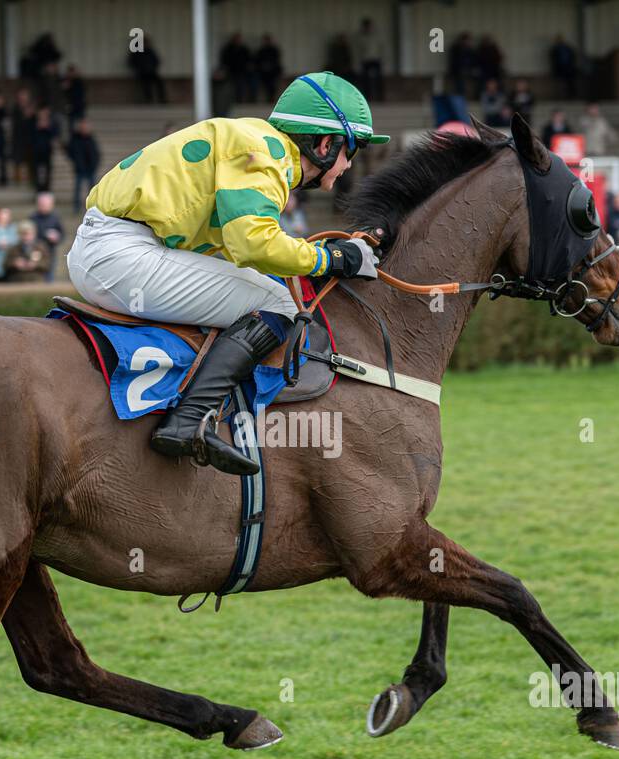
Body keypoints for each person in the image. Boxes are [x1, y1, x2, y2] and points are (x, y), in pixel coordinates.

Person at [67, 71, 386, 475]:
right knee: (279, 304)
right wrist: (332, 260)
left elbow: (246, 251)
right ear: (326, 144)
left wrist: (318, 254)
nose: (347, 165)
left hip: (113, 249)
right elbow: (254, 243)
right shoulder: (264, 152)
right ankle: (189, 420)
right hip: (122, 254)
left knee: (266, 288)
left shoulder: (257, 145)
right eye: (350, 151)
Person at [30, 192, 65, 281]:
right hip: (36, 251)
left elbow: (62, 234)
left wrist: (56, 237)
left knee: (50, 275)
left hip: (50, 251)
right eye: (42, 204)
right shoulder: (33, 218)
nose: (44, 206)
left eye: (46, 204)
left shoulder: (55, 217)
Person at [67, 119, 100, 211]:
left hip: (91, 169)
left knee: (93, 190)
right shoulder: (75, 139)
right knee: (78, 189)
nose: (85, 129)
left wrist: (94, 165)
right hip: (80, 169)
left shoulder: (91, 139)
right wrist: (77, 163)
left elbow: (96, 153)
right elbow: (71, 152)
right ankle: (76, 207)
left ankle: (93, 207)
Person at [30, 107, 59, 194]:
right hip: (36, 151)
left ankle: (46, 189)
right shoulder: (34, 123)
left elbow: (54, 135)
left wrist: (47, 128)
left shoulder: (50, 124)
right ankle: (38, 189)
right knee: (37, 171)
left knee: (47, 171)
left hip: (47, 151)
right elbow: (30, 136)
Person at [355, 18, 384, 102]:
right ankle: (367, 97)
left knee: (378, 79)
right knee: (365, 80)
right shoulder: (360, 36)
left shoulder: (376, 35)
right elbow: (358, 50)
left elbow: (381, 47)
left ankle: (380, 97)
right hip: (365, 60)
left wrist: (382, 58)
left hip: (376, 59)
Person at [10, 88, 35, 186]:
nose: (23, 98)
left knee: (30, 159)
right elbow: (15, 123)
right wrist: (25, 116)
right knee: (17, 159)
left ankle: (31, 178)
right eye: (22, 95)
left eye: (25, 95)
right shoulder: (15, 109)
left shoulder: (31, 108)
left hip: (29, 138)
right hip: (18, 138)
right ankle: (17, 179)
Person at [254, 35, 282, 102]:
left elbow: (276, 61)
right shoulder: (261, 51)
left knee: (272, 87)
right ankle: (267, 99)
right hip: (263, 72)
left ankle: (271, 99)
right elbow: (257, 61)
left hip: (273, 72)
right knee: (265, 87)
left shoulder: (274, 50)